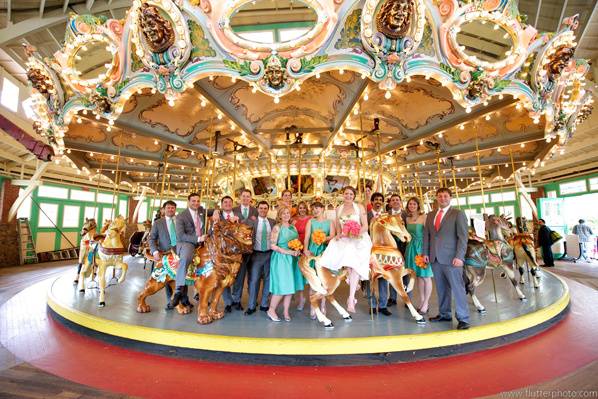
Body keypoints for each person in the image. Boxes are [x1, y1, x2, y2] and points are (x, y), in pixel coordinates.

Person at [319, 186, 372, 313]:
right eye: (346, 194)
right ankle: (348, 277)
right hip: (344, 237)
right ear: (343, 195)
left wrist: (356, 233)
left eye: (351, 194)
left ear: (354, 196)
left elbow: (365, 225)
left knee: (354, 262)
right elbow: (338, 226)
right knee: (331, 256)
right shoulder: (339, 208)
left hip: (358, 237)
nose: (348, 196)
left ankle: (351, 297)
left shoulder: (359, 207)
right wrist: (338, 234)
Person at [423, 188, 470, 330]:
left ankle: (463, 318)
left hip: (452, 258)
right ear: (436, 198)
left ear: (450, 198)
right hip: (435, 257)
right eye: (440, 196)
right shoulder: (430, 215)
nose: (442, 198)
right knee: (442, 288)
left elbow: (463, 237)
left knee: (458, 288)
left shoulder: (458, 214)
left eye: (445, 196)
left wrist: (460, 256)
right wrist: (425, 253)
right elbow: (427, 236)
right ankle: (444, 313)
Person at [267, 207, 304, 322]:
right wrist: (288, 252)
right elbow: (272, 245)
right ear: (280, 215)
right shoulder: (277, 228)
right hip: (281, 259)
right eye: (284, 213)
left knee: (290, 286)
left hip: (292, 259)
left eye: (288, 213)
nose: (286, 215)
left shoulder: (293, 227)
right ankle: (271, 310)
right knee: (281, 285)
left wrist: (298, 250)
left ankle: (286, 311)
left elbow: (297, 242)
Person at [171, 193, 207, 310]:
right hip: (187, 242)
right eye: (193, 201)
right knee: (185, 258)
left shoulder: (201, 210)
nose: (196, 203)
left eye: (198, 201)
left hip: (202, 242)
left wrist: (217, 212)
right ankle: (178, 290)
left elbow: (211, 211)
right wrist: (197, 239)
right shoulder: (181, 216)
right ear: (188, 201)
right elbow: (181, 235)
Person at [303, 201, 335, 318]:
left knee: (323, 280)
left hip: (324, 251)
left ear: (322, 209)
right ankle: (313, 306)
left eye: (317, 208)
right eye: (313, 209)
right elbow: (307, 237)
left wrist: (323, 238)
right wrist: (305, 249)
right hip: (313, 251)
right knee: (313, 280)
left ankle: (323, 304)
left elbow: (332, 236)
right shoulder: (310, 222)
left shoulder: (329, 222)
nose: (315, 210)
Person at [244, 201, 276, 315]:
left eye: (265, 208)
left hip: (269, 254)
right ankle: (252, 306)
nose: (263, 210)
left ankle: (264, 304)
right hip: (256, 254)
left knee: (268, 279)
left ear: (268, 210)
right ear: (257, 209)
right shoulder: (251, 221)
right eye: (261, 208)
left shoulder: (272, 222)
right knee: (254, 281)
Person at [404, 197, 432, 315]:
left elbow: (428, 234)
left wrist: (426, 251)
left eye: (414, 204)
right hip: (411, 248)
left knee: (426, 276)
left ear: (418, 205)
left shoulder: (424, 217)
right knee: (418, 276)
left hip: (422, 248)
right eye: (410, 204)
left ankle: (426, 303)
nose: (412, 206)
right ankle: (421, 300)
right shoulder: (407, 219)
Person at [148, 201, 178, 304]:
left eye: (173, 208)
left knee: (183, 277)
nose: (170, 210)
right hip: (166, 253)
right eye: (168, 208)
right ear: (164, 209)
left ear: (175, 209)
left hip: (179, 253)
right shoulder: (158, 223)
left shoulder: (180, 221)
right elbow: (151, 238)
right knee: (166, 278)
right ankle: (170, 301)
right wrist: (155, 251)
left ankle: (183, 300)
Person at [367, 192, 391, 316]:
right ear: (372, 202)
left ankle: (383, 305)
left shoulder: (387, 215)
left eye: (380, 200)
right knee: (370, 278)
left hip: (383, 250)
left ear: (383, 202)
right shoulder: (367, 215)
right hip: (369, 249)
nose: (378, 201)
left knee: (383, 277)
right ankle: (371, 304)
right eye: (376, 199)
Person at [387, 193, 407, 306]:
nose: (395, 202)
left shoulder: (406, 214)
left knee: (405, 272)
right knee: (392, 270)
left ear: (400, 202)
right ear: (390, 203)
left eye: (397, 200)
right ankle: (393, 298)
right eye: (393, 200)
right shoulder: (387, 215)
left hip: (403, 246)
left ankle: (406, 296)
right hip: (391, 246)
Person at [292, 201, 311, 310]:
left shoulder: (310, 219)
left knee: (308, 274)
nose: (302, 209)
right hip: (298, 247)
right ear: (298, 209)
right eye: (300, 208)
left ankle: (310, 296)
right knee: (299, 274)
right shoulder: (294, 220)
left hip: (307, 248)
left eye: (304, 208)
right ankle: (301, 297)